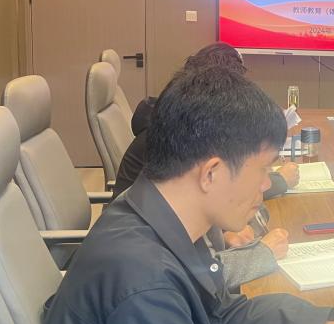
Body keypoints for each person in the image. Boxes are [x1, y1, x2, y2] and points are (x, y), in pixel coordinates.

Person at [23, 66, 334, 324]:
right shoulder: (143, 281)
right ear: (211, 172)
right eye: (263, 169)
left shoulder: (158, 216)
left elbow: (218, 315)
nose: (267, 185)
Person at [113, 43, 297, 289]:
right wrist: (261, 254)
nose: (265, 183)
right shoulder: (149, 273)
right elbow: (197, 280)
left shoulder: (183, 210)